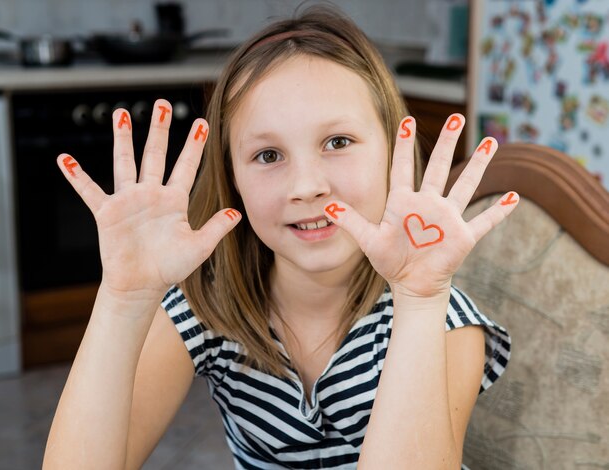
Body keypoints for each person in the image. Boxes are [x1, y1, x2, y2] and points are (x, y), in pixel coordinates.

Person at [44, 5, 516, 469]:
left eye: (337, 143)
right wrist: (124, 298)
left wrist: (418, 300)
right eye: (269, 155)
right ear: (233, 178)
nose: (307, 186)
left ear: (394, 150)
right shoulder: (209, 305)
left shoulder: (442, 318)